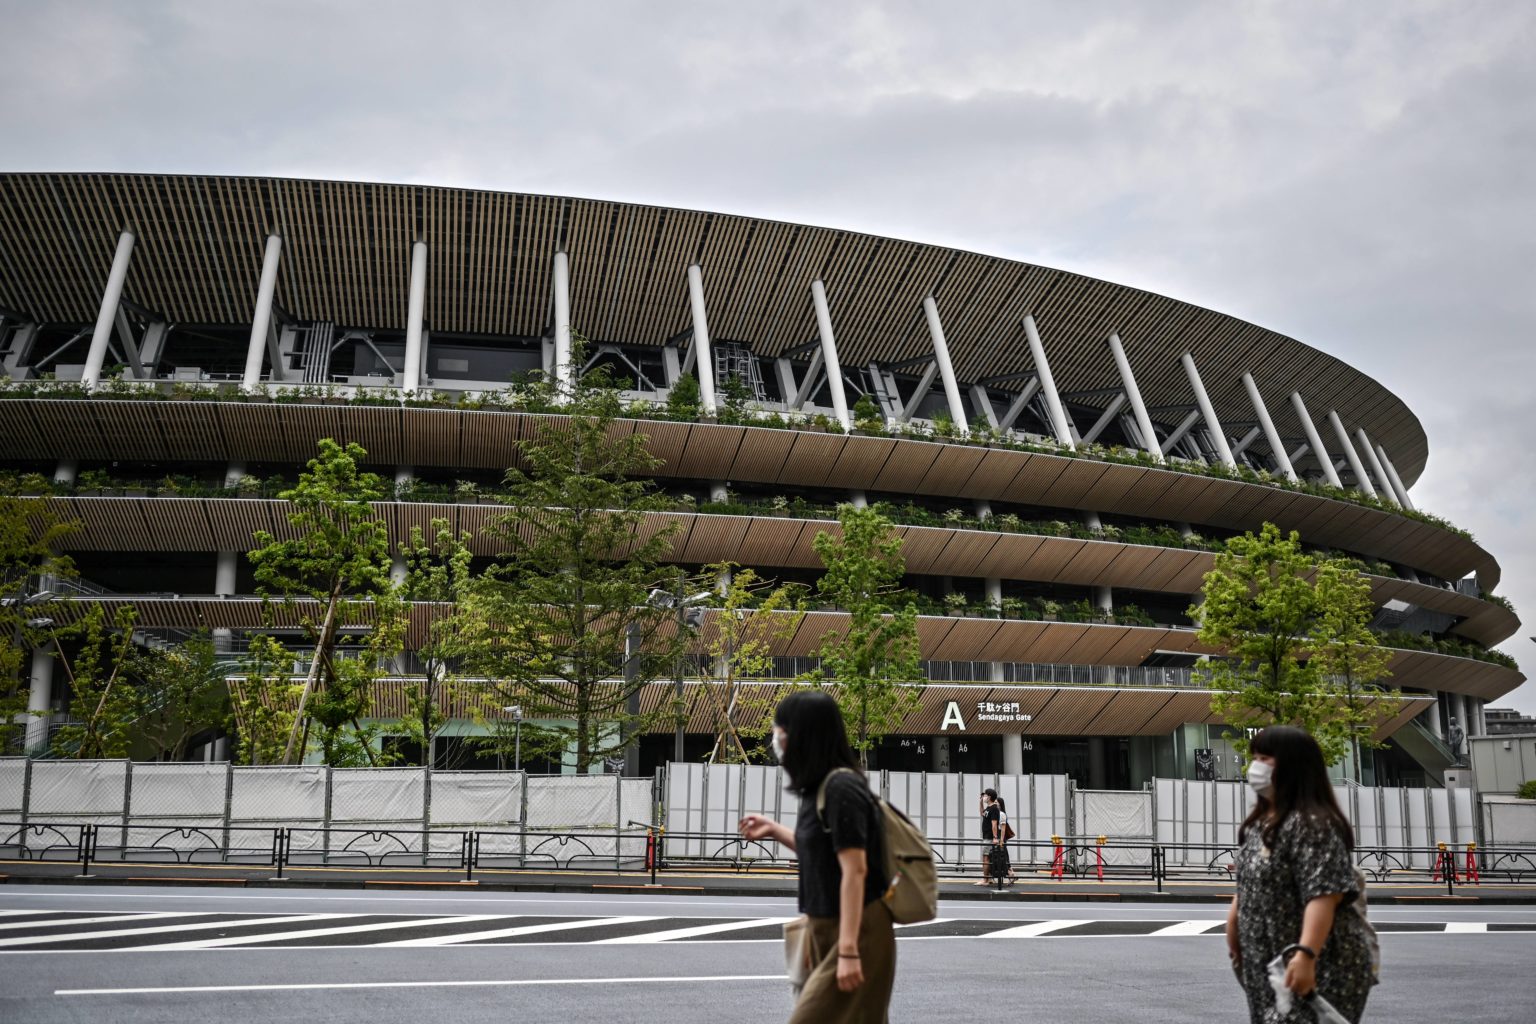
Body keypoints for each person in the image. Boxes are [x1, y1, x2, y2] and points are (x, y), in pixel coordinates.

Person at [739, 691, 895, 1023]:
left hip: (858, 931)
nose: (776, 736)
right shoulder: (819, 788)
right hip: (828, 927)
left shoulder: (841, 788)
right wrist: (775, 830)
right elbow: (826, 859)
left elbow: (855, 871)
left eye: (780, 728)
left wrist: (849, 949)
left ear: (803, 734)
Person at [1226, 726, 1375, 1023]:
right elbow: (1249, 885)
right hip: (1268, 961)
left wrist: (1307, 954)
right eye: (1255, 757)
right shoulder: (1260, 824)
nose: (1255, 766)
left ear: (1293, 766)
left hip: (1318, 962)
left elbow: (1324, 895)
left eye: (1265, 758)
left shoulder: (1312, 825)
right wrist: (1234, 930)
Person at [975, 789, 1002, 885]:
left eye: (985, 795)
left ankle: (985, 880)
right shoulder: (989, 808)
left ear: (989, 797)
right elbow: (982, 813)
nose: (984, 797)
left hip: (990, 837)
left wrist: (995, 837)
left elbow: (994, 824)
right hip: (987, 836)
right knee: (988, 858)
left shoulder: (994, 808)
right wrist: (980, 802)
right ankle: (989, 878)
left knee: (985, 858)